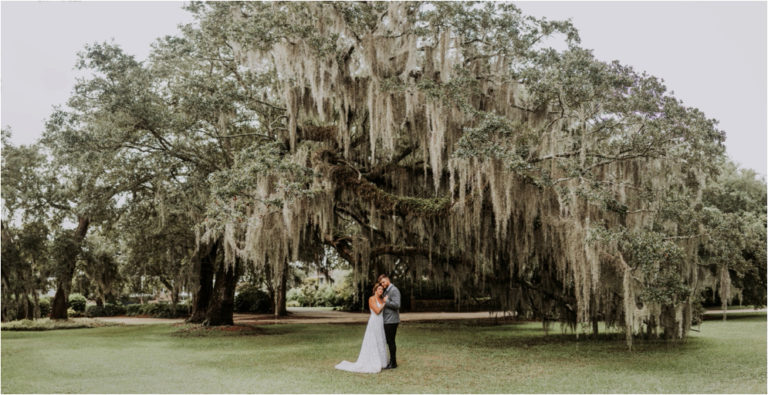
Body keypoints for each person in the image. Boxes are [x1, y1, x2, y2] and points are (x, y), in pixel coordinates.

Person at [334, 284, 388, 373]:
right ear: (375, 290)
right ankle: (372, 361)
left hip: (380, 322)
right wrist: (384, 302)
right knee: (373, 341)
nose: (381, 290)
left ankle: (382, 362)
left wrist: (383, 301)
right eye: (379, 289)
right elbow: (377, 311)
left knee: (380, 340)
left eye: (382, 289)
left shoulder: (381, 299)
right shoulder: (372, 299)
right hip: (374, 322)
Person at [378, 274, 400, 369]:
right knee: (389, 341)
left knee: (391, 341)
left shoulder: (394, 290)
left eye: (383, 282)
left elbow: (397, 305)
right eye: (381, 283)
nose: (382, 284)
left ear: (388, 280)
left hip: (392, 320)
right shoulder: (387, 290)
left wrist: (386, 301)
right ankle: (391, 361)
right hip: (387, 320)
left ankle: (393, 363)